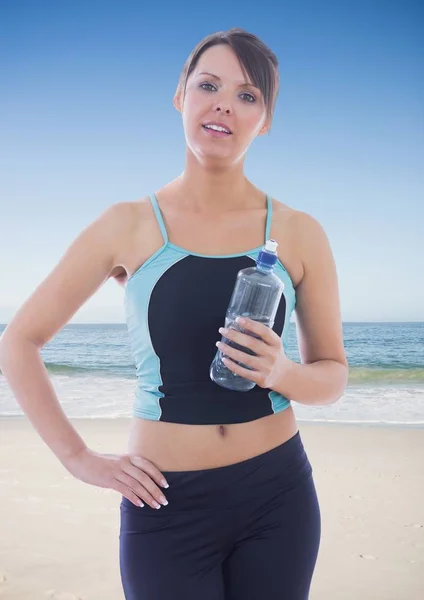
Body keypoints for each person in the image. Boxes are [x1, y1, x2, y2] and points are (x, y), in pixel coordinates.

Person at [0, 28, 349, 600]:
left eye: (248, 95)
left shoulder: (299, 233)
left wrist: (283, 373)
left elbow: (332, 375)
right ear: (179, 97)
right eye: (208, 85)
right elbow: (19, 341)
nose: (223, 105)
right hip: (165, 500)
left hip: (278, 494)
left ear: (265, 120)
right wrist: (78, 458)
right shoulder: (128, 225)